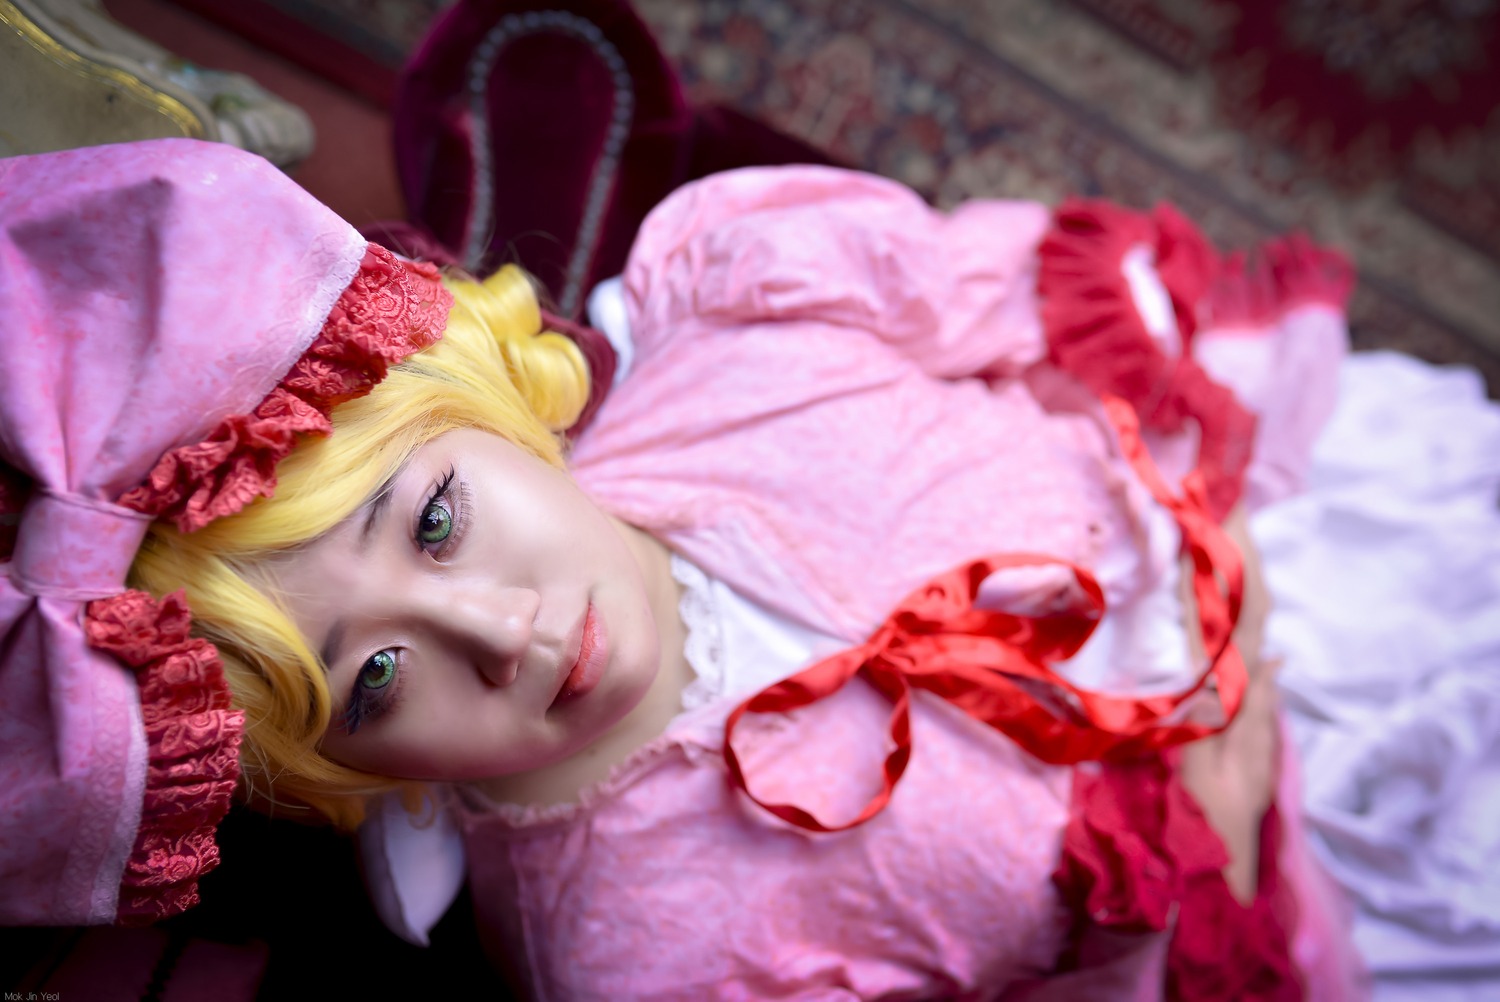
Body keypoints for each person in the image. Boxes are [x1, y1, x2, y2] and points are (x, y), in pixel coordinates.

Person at [0, 135, 1420, 998]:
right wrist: (1222, 842)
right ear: (351, 778)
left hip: (1293, 521)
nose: (501, 632)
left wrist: (1201, 484)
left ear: (477, 403)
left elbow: (999, 301)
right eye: (373, 679)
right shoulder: (636, 960)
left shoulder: (741, 309)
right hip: (1274, 883)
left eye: (434, 519)